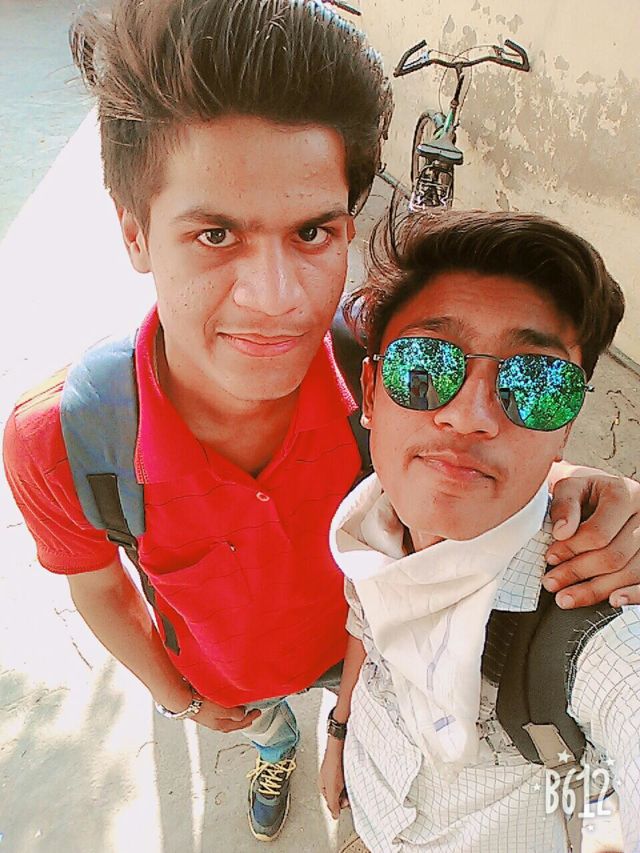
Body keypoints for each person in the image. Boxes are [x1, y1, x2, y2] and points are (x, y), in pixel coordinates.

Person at [2, 0, 640, 844]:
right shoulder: (66, 438)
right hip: (230, 683)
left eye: (311, 231)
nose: (276, 300)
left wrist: (581, 492)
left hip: (368, 653)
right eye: (215, 233)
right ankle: (276, 746)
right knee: (267, 723)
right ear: (135, 233)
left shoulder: (392, 361)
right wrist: (177, 696)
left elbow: (473, 434)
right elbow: (97, 586)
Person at [321, 208, 639, 852]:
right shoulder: (371, 520)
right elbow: (369, 625)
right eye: (425, 365)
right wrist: (340, 732)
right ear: (372, 392)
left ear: (565, 431)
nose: (470, 416)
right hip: (373, 804)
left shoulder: (596, 618)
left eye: (536, 383)